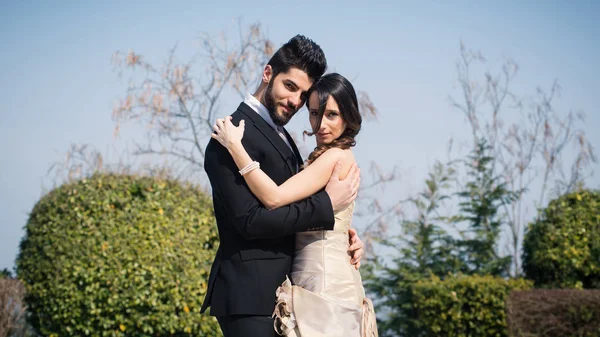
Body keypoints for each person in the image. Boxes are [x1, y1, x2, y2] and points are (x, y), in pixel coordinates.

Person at [201, 35, 365, 337]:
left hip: (287, 293)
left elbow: (295, 201)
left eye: (303, 96)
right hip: (250, 295)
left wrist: (338, 235)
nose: (295, 101)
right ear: (268, 74)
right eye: (289, 86)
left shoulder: (283, 135)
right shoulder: (231, 136)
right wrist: (324, 209)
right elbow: (251, 221)